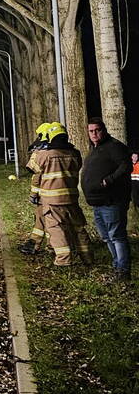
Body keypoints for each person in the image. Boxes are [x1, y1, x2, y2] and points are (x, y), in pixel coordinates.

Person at [35, 122, 93, 266]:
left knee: (56, 229)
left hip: (52, 201)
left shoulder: (45, 155)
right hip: (72, 199)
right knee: (79, 228)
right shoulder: (75, 154)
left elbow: (34, 170)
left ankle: (63, 260)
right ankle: (88, 258)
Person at [81, 117, 132, 280]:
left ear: (104, 130)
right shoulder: (95, 149)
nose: (94, 134)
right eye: (91, 131)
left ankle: (123, 271)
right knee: (107, 237)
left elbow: (126, 166)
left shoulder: (114, 147)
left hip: (112, 201)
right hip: (97, 203)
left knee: (116, 236)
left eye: (97, 130)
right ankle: (117, 266)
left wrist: (108, 180)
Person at [19, 123, 52, 255]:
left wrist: (34, 194)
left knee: (47, 219)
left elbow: (36, 176)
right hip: (53, 192)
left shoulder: (41, 153)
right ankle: (35, 243)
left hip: (45, 194)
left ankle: (49, 246)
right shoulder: (57, 151)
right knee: (42, 218)